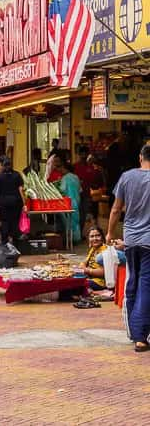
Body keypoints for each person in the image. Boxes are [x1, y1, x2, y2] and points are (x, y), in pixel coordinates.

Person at [107, 144, 150, 352]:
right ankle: (140, 335)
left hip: (131, 239)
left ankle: (135, 331)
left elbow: (116, 209)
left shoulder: (127, 177)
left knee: (133, 281)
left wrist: (109, 233)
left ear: (140, 156)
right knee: (145, 284)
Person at [0, 156, 26, 244]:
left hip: (3, 202)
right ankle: (15, 242)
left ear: (2, 165)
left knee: (4, 221)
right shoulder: (17, 175)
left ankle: (4, 241)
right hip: (16, 202)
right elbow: (21, 190)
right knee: (15, 221)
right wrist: (24, 204)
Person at [56, 155, 82, 244]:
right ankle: (77, 238)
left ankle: (70, 241)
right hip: (76, 201)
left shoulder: (65, 178)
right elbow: (80, 189)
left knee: (68, 222)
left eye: (61, 168)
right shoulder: (76, 177)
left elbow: (62, 190)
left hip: (67, 203)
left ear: (65, 169)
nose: (60, 170)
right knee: (76, 221)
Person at [80, 226, 108, 291]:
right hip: (90, 278)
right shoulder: (93, 249)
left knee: (77, 285)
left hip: (100, 282)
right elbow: (83, 263)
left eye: (98, 235)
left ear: (102, 238)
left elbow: (103, 272)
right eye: (92, 236)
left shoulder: (105, 250)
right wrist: (83, 267)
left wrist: (87, 270)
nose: (95, 238)